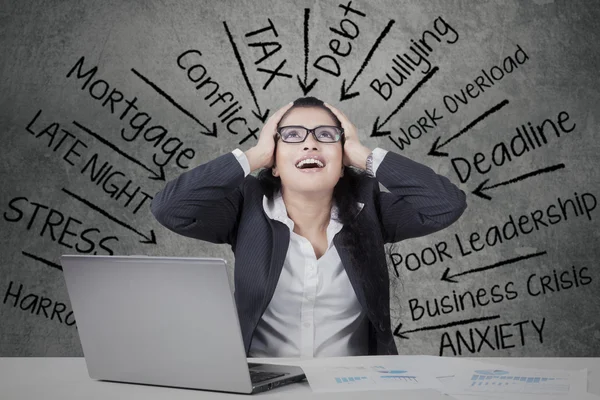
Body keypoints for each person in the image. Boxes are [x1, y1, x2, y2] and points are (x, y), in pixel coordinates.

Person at [150, 96, 467, 358]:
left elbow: (446, 205)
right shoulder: (246, 208)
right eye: (291, 135)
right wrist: (254, 155)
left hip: (355, 390)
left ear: (342, 161)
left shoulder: (369, 211)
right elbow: (170, 209)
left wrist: (362, 154)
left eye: (326, 135)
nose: (310, 144)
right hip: (260, 389)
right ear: (274, 161)